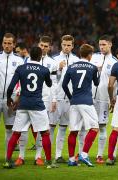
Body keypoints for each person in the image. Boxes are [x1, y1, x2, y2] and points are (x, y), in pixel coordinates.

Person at [3, 47, 57, 169]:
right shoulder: (44, 70)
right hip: (37, 104)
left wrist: (8, 99)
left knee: (16, 133)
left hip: (23, 105)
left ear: (30, 56)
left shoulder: (21, 68)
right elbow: (49, 84)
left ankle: (8, 161)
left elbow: (11, 87)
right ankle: (48, 162)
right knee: (45, 133)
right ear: (40, 57)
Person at [15, 36, 59, 166]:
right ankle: (21, 156)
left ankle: (38, 156)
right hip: (27, 98)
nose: (43, 48)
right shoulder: (27, 60)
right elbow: (21, 80)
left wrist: (54, 99)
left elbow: (54, 83)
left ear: (50, 47)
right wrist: (18, 94)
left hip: (44, 99)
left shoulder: (53, 63)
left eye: (46, 46)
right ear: (38, 45)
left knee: (42, 129)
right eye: (41, 45)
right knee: (24, 128)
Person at [62, 44, 100, 167]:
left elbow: (64, 85)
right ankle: (84, 154)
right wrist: (98, 71)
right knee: (94, 128)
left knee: (73, 131)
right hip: (87, 101)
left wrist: (70, 97)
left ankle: (72, 159)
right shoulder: (92, 67)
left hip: (74, 102)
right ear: (90, 55)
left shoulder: (71, 67)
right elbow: (97, 82)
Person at [0, 33, 23, 166]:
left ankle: (8, 158)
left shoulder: (19, 60)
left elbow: (21, 81)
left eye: (9, 43)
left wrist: (17, 97)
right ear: (2, 43)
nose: (7, 45)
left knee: (10, 128)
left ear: (14, 44)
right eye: (5, 43)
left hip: (11, 98)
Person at [52, 35, 80, 163]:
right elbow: (49, 80)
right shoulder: (54, 60)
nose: (66, 47)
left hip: (70, 99)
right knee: (50, 127)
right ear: (61, 45)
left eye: (69, 45)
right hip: (56, 98)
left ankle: (58, 156)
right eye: (64, 45)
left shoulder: (77, 60)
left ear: (73, 46)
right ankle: (42, 155)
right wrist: (58, 68)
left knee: (63, 127)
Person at [90, 35, 118, 164]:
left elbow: (115, 84)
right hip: (89, 98)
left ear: (110, 44)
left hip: (104, 99)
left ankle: (99, 155)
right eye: (100, 44)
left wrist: (113, 99)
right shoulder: (93, 58)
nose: (101, 47)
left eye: (104, 44)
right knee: (86, 127)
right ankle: (82, 153)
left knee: (102, 126)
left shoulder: (114, 62)